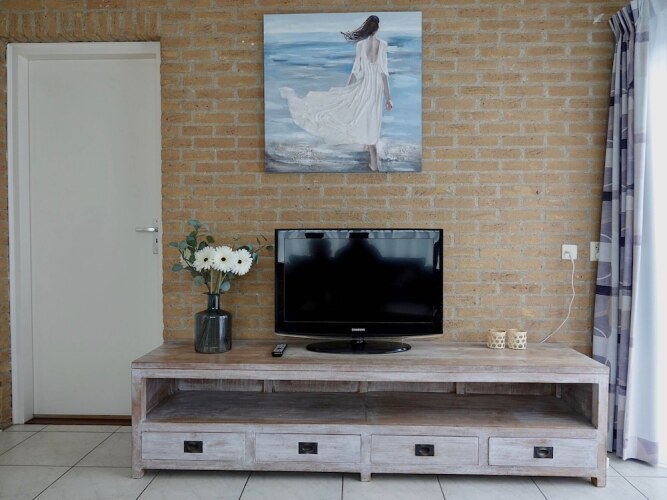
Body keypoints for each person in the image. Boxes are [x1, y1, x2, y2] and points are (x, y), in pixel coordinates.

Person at [279, 15, 392, 171]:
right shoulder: (383, 45)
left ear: (366, 28)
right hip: (375, 89)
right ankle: (373, 162)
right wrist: (389, 98)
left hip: (363, 86)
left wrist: (346, 89)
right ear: (378, 28)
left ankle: (369, 149)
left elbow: (355, 71)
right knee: (372, 118)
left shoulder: (360, 45)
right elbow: (384, 74)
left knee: (362, 115)